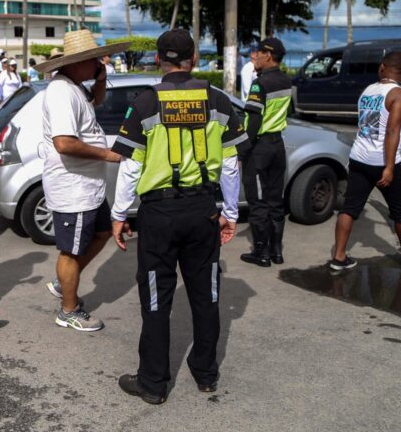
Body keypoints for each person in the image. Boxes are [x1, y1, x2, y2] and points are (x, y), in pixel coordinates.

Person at [110, 29, 248, 405]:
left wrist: (119, 214)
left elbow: (130, 167)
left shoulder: (145, 103)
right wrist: (230, 212)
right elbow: (232, 165)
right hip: (203, 209)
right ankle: (206, 372)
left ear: (158, 60)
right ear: (195, 59)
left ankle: (153, 383)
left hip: (159, 213)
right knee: (206, 294)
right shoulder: (217, 100)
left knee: (157, 297)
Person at [35, 29, 128, 332]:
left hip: (87, 187)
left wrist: (100, 77)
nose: (98, 63)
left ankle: (65, 284)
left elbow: (96, 102)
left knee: (100, 233)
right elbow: (64, 143)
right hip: (73, 187)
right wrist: (106, 155)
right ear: (76, 62)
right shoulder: (61, 92)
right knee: (71, 251)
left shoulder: (74, 86)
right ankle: (68, 310)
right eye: (92, 60)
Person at [329, 52, 401, 272]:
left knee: (349, 209)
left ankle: (338, 258)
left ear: (382, 68)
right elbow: (392, 130)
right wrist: (388, 167)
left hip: (358, 158)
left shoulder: (368, 91)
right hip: (383, 162)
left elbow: (371, 125)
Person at [240, 38, 292, 268]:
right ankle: (277, 252)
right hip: (277, 146)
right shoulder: (285, 81)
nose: (255, 57)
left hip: (260, 149)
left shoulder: (260, 84)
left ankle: (261, 253)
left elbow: (253, 120)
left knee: (258, 201)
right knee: (275, 201)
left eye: (258, 53)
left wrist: (242, 151)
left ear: (268, 55)